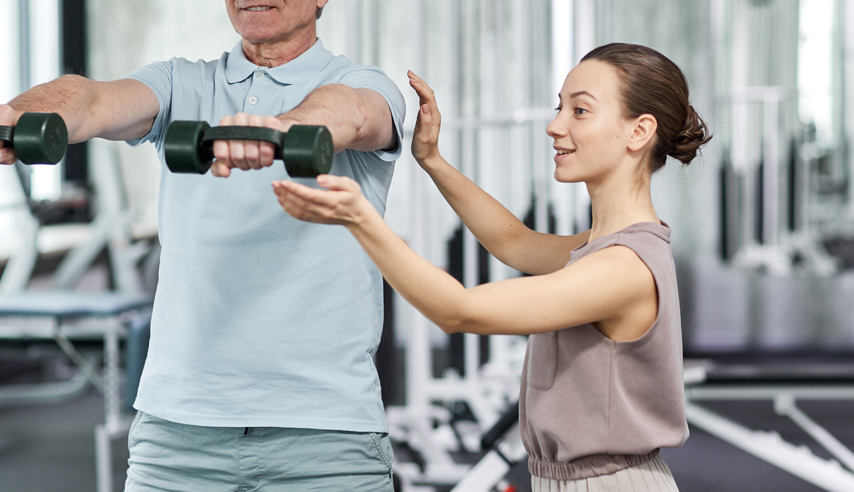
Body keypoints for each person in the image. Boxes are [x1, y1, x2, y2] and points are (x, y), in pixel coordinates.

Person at [0, 0, 405, 491]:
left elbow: (349, 113)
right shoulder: (180, 85)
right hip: (178, 435)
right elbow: (88, 99)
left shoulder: (368, 85)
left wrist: (281, 129)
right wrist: (14, 117)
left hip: (321, 434)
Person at [274, 43, 711, 492]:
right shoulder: (600, 248)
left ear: (638, 132)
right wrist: (432, 161)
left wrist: (359, 216)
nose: (554, 125)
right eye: (560, 107)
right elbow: (513, 242)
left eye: (580, 111)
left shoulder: (623, 267)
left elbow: (457, 310)